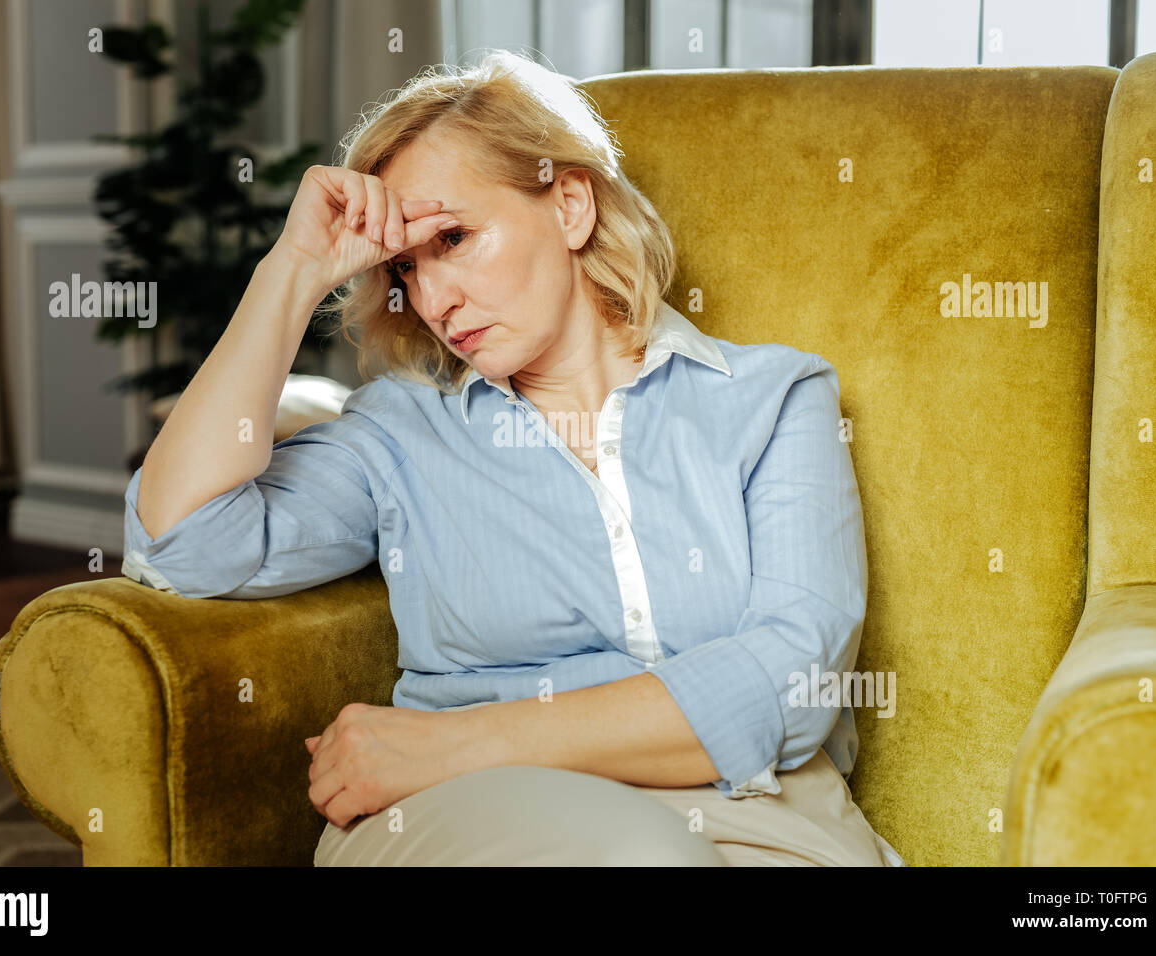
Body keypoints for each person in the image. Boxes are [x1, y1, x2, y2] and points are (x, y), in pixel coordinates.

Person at [122, 50, 904, 867]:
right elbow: (179, 543)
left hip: (763, 814)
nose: (432, 299)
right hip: (468, 820)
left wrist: (448, 743)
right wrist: (290, 274)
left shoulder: (774, 397)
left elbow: (793, 678)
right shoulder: (403, 431)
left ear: (569, 206)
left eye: (453, 238)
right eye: (405, 268)